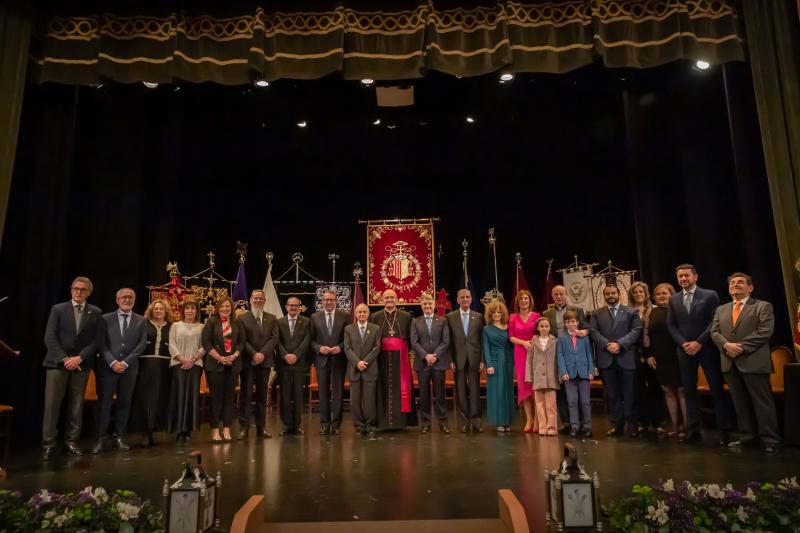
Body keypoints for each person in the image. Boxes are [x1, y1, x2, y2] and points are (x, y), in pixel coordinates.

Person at [710, 273, 780, 453]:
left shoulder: (762, 306)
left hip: (754, 361)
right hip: (729, 363)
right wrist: (726, 346)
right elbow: (714, 332)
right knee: (740, 403)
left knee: (762, 403)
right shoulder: (721, 309)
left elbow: (764, 332)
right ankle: (748, 437)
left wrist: (738, 347)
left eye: (740, 282)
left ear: (750, 287)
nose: (735, 285)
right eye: (732, 283)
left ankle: (770, 439)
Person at [666, 264, 731, 445]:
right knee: (689, 391)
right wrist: (683, 343)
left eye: (686, 275)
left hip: (707, 349)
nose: (683, 279)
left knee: (716, 389)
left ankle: (724, 431)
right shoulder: (674, 299)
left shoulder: (709, 295)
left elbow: (715, 322)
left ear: (695, 277)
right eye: (680, 276)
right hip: (685, 350)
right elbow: (671, 325)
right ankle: (692, 430)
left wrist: (699, 342)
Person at [41, 277, 103, 460]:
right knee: (52, 406)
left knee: (76, 407)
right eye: (75, 288)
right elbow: (49, 337)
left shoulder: (95, 312)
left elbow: (96, 341)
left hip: (81, 365)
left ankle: (71, 442)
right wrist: (64, 358)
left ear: (89, 292)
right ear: (71, 290)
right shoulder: (58, 309)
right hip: (56, 364)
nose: (78, 292)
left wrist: (80, 358)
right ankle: (49, 444)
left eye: (82, 289)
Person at [93, 287, 148, 453]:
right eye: (124, 297)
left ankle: (119, 437)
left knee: (124, 403)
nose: (127, 299)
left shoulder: (141, 320)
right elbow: (101, 343)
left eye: (130, 297)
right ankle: (101, 438)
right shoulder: (105, 319)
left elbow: (141, 344)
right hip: (108, 369)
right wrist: (112, 362)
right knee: (104, 404)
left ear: (134, 300)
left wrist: (125, 363)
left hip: (129, 369)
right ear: (117, 300)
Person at [590, 284, 642, 437]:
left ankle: (632, 426)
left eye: (613, 293)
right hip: (606, 360)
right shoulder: (596, 313)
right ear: (604, 296)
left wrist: (620, 344)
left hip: (626, 358)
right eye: (607, 294)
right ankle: (617, 425)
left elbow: (636, 330)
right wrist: (607, 345)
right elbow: (593, 332)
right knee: (613, 395)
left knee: (630, 394)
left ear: (619, 294)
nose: (611, 296)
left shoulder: (631, 311)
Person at [541, 285, 589, 433]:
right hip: (555, 355)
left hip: (574, 354)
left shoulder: (577, 310)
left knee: (579, 394)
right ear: (552, 296)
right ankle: (567, 422)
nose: (559, 296)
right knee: (561, 389)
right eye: (556, 294)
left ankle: (580, 422)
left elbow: (587, 329)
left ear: (566, 294)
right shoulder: (547, 313)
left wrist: (583, 331)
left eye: (561, 293)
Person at [645, 283, 686, 439]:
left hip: (678, 355)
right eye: (658, 294)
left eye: (665, 293)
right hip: (660, 357)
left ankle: (687, 428)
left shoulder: (679, 309)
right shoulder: (651, 312)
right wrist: (648, 354)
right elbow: (646, 335)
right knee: (668, 391)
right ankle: (675, 428)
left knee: (682, 391)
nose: (662, 296)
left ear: (672, 294)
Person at [369, 289, 414, 431]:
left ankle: (400, 423)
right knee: (381, 389)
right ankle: (382, 423)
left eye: (392, 297)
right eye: (386, 297)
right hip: (380, 359)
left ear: (397, 299)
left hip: (400, 360)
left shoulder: (406, 316)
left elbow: (411, 340)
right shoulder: (375, 316)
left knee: (400, 389)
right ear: (382, 299)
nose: (389, 300)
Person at [130, 299, 173, 447]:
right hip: (145, 365)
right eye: (156, 309)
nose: (158, 311)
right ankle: (144, 433)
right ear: (151, 311)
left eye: (161, 309)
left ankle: (155, 430)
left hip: (164, 366)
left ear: (166, 311)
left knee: (159, 398)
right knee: (145, 398)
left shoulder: (171, 327)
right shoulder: (144, 324)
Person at [236, 289, 278, 440]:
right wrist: (254, 354)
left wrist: (261, 354)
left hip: (264, 362)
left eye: (261, 298)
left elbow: (274, 339)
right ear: (250, 299)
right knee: (245, 395)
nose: (258, 301)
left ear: (265, 300)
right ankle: (243, 427)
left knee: (262, 396)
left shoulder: (272, 318)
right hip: (248, 361)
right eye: (256, 298)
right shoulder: (242, 318)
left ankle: (261, 427)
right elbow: (241, 340)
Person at [202, 296, 244, 442]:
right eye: (222, 306)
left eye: (228, 306)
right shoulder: (211, 322)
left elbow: (241, 343)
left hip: (233, 364)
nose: (225, 309)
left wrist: (234, 356)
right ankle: (215, 430)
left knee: (229, 399)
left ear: (231, 308)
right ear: (217, 308)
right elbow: (206, 343)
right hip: (215, 365)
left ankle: (226, 429)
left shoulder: (237, 322)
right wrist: (219, 358)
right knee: (216, 399)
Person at [310, 289, 351, 435]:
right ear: (322, 302)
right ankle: (324, 423)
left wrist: (340, 348)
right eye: (326, 300)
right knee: (323, 393)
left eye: (332, 300)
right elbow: (312, 340)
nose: (329, 302)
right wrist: (319, 348)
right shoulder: (315, 317)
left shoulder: (345, 316)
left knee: (338, 393)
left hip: (339, 360)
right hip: (322, 360)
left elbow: (348, 337)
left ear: (336, 301)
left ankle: (336, 424)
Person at [628, 282, 666, 435]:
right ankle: (642, 422)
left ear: (646, 293)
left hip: (653, 355)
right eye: (635, 292)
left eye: (641, 292)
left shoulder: (654, 310)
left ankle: (658, 422)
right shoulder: (628, 312)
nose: (638, 294)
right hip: (634, 356)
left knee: (655, 388)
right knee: (639, 390)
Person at [411, 293, 451, 434]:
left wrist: (435, 355)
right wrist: (426, 356)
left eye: (430, 304)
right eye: (425, 304)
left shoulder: (442, 321)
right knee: (424, 395)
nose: (427, 306)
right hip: (422, 364)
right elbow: (414, 342)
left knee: (440, 395)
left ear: (434, 306)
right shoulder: (416, 322)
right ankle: (426, 423)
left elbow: (446, 341)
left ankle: (443, 423)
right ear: (421, 306)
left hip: (439, 363)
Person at [446, 289, 485, 433]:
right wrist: (450, 359)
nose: (465, 299)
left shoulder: (479, 317)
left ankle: (476, 421)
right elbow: (448, 340)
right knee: (461, 391)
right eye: (462, 297)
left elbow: (482, 340)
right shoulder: (450, 317)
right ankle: (463, 422)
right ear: (457, 300)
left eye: (467, 297)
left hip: (474, 357)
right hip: (458, 358)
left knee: (475, 390)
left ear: (471, 299)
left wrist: (482, 359)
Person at [167, 300, 204, 446]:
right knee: (179, 396)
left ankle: (187, 431)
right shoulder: (176, 326)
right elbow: (171, 344)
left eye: (192, 308)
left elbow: (205, 346)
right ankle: (178, 431)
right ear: (183, 311)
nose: (189, 311)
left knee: (191, 397)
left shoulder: (202, 327)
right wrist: (183, 359)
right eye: (187, 308)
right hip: (178, 364)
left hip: (196, 365)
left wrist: (193, 359)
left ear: (196, 311)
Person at [344, 304, 381, 437]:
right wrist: (357, 362)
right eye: (359, 312)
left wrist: (365, 362)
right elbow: (347, 348)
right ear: (355, 313)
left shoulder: (375, 328)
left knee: (370, 399)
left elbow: (377, 347)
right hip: (354, 369)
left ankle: (370, 425)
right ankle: (359, 426)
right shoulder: (349, 329)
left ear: (368, 313)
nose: (361, 314)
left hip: (370, 369)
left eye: (364, 312)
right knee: (355, 401)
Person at [276, 296, 311, 436]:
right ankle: (286, 425)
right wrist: (285, 355)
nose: (293, 307)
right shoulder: (278, 322)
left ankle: (297, 425)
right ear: (286, 307)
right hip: (283, 364)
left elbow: (307, 340)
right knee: (285, 395)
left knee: (297, 395)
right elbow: (276, 340)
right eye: (291, 305)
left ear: (299, 307)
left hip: (299, 363)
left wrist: (295, 355)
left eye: (296, 305)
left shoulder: (306, 321)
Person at [558, 311, 596, 437]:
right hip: (569, 374)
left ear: (578, 322)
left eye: (573, 321)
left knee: (585, 402)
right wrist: (563, 371)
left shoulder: (584, 337)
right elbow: (560, 355)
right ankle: (575, 426)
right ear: (565, 324)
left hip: (584, 373)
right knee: (572, 402)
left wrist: (591, 371)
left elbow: (589, 354)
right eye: (568, 322)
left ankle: (587, 427)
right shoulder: (562, 338)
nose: (571, 324)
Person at [508, 290, 541, 432]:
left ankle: (539, 420)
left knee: (535, 387)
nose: (523, 301)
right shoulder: (513, 317)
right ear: (517, 302)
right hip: (520, 353)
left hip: (535, 353)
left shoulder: (537, 316)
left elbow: (541, 332)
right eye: (521, 299)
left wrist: (533, 339)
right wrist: (523, 342)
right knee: (524, 386)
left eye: (526, 298)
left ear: (530, 300)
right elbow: (511, 337)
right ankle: (529, 419)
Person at [483, 300, 515, 432]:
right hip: (495, 362)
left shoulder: (508, 327)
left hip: (508, 360)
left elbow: (512, 346)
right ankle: (499, 422)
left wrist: (514, 363)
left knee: (508, 390)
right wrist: (488, 364)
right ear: (490, 314)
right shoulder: (486, 329)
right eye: (494, 312)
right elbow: (486, 347)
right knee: (497, 392)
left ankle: (508, 421)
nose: (497, 314)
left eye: (499, 312)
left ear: (503, 313)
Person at [526, 316, 559, 436]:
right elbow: (529, 361)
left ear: (550, 328)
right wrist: (529, 377)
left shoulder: (555, 341)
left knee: (551, 404)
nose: (544, 328)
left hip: (551, 377)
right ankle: (542, 426)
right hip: (538, 377)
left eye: (546, 326)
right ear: (538, 328)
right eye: (542, 326)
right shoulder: (533, 342)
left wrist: (559, 376)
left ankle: (552, 427)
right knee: (539, 404)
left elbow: (558, 359)